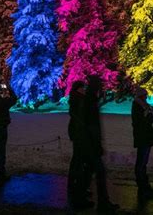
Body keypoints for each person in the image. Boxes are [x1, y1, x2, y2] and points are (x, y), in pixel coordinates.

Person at [81, 75, 119, 212]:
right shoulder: (90, 100)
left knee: (90, 171)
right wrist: (96, 143)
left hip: (90, 141)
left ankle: (80, 197)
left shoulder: (90, 99)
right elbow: (92, 124)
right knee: (100, 172)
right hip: (92, 142)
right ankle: (103, 203)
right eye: (99, 84)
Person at [67, 80, 94, 210]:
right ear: (78, 89)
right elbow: (79, 116)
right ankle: (77, 188)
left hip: (78, 132)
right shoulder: (78, 99)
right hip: (79, 133)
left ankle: (75, 185)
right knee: (79, 159)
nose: (84, 89)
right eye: (83, 87)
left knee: (78, 159)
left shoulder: (78, 98)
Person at [131, 87, 153, 200]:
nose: (146, 97)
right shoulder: (139, 106)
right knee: (141, 162)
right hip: (143, 137)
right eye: (145, 95)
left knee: (143, 162)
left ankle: (144, 185)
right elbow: (145, 122)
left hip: (144, 136)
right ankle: (142, 187)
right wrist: (152, 114)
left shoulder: (142, 106)